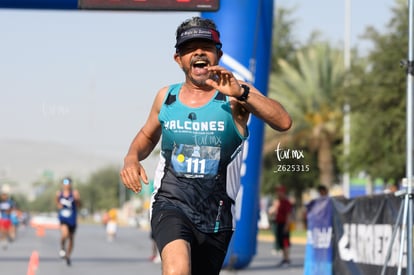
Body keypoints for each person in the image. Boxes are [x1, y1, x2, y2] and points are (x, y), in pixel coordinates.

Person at [120, 16, 291, 275]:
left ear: (218, 54)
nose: (198, 51)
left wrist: (242, 93)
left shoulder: (235, 94)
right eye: (190, 48)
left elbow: (283, 121)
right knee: (177, 270)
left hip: (216, 216)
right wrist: (132, 157)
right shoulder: (167, 97)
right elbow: (146, 135)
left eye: (206, 46)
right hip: (171, 203)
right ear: (178, 59)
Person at [55, 177, 81, 266]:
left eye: (68, 183)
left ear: (71, 184)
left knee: (71, 239)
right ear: (62, 184)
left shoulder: (74, 193)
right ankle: (62, 247)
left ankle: (68, 255)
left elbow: (79, 205)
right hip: (63, 218)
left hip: (72, 218)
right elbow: (57, 204)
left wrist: (77, 199)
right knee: (64, 234)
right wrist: (60, 206)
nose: (67, 185)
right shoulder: (59, 194)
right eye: (65, 183)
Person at [269, 185, 293, 267]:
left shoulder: (286, 202)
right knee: (281, 243)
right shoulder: (277, 202)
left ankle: (287, 259)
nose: (278, 193)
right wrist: (275, 205)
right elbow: (271, 212)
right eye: (277, 191)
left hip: (284, 224)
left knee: (285, 242)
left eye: (279, 191)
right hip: (278, 224)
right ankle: (284, 259)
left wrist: (286, 226)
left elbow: (289, 215)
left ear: (283, 192)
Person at [0, 184, 15, 249]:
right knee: (3, 232)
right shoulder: (1, 202)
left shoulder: (10, 202)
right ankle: (4, 243)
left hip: (9, 219)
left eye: (5, 195)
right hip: (2, 219)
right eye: (2, 195)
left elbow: (13, 208)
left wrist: (9, 211)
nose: (3, 196)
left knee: (11, 231)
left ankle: (11, 237)